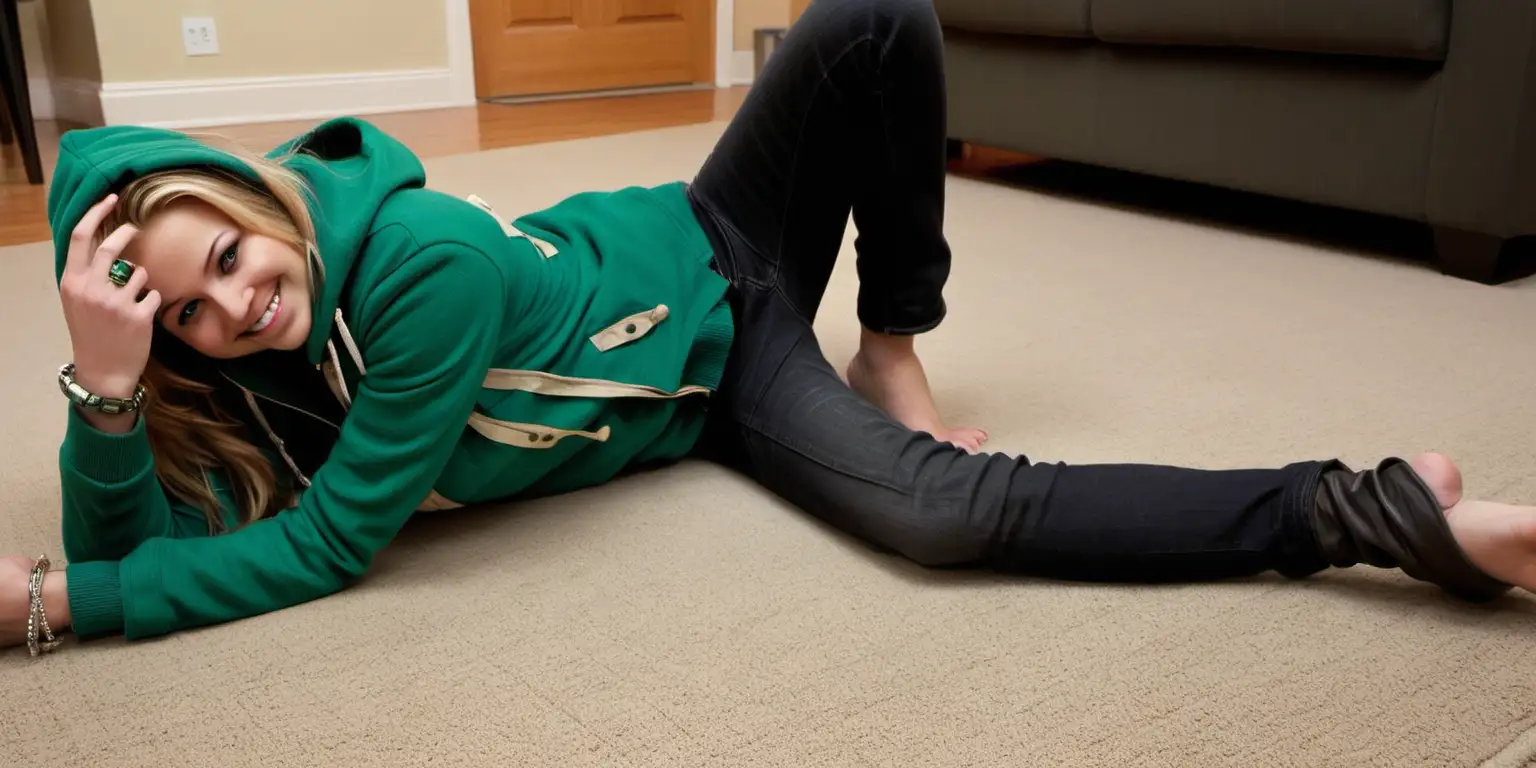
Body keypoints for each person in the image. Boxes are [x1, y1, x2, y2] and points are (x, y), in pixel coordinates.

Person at [4, 0, 1532, 654]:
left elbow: (333, 544)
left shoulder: (414, 261)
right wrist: (112, 385)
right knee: (945, 517)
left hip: (716, 274)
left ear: (248, 195)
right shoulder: (233, 362)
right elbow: (144, 536)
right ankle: (1386, 509)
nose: (231, 305)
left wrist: (59, 609)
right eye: (186, 312)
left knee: (874, 14)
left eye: (218, 256)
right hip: (686, 394)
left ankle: (898, 337)